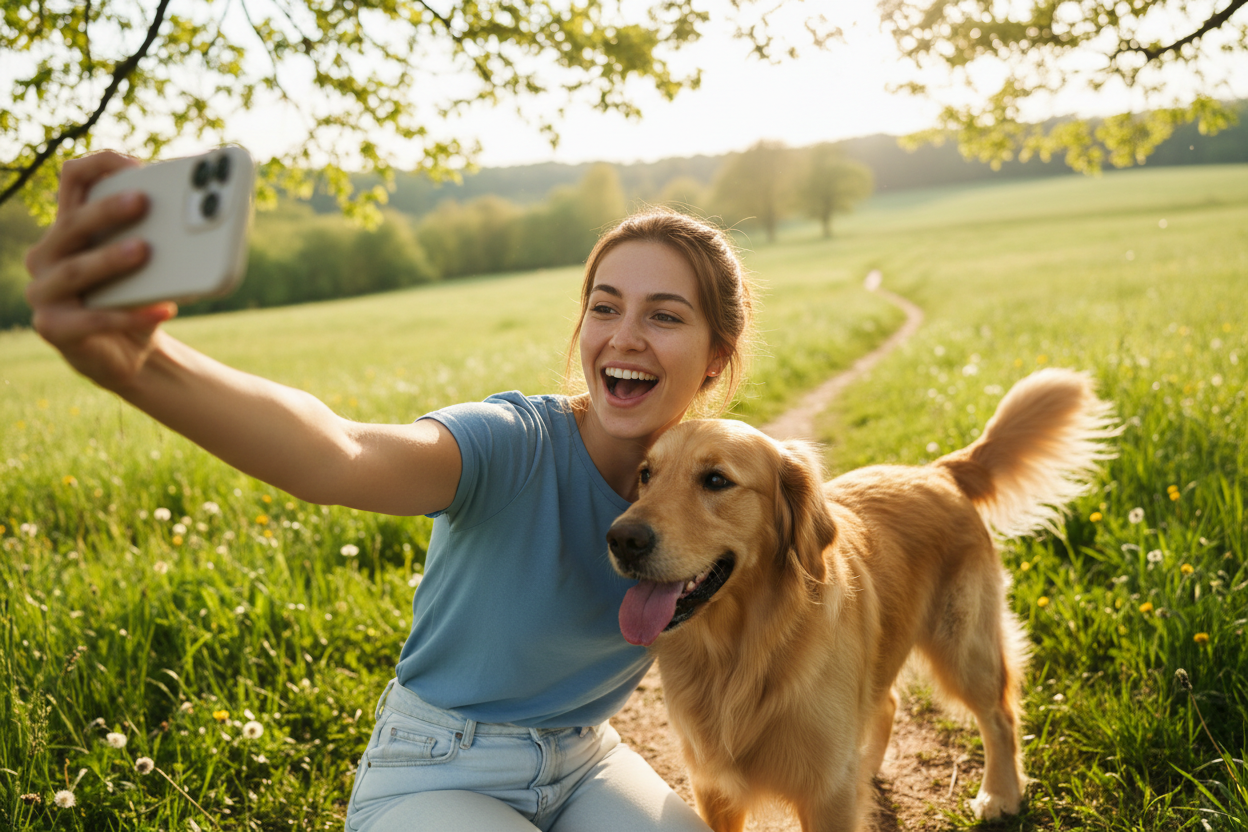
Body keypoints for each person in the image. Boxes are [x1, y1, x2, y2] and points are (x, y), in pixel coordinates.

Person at [24, 151, 758, 831]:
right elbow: (336, 451)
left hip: (583, 758)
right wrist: (140, 363)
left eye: (663, 315)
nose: (624, 335)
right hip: (436, 769)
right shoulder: (514, 443)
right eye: (605, 307)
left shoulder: (723, 496)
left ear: (716, 357)